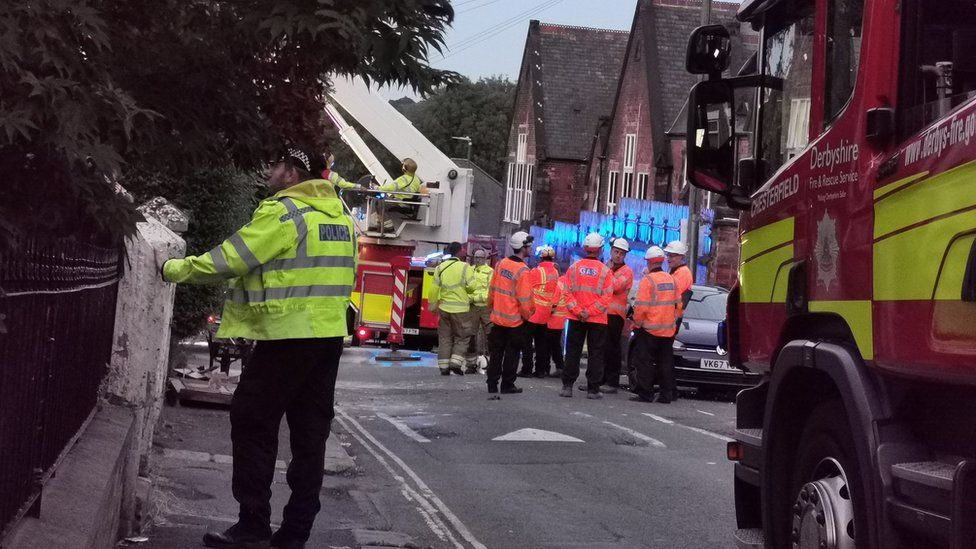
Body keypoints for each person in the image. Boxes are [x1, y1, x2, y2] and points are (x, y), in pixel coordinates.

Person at [161, 147, 357, 549]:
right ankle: (295, 533)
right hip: (327, 337)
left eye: (274, 165)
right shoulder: (340, 217)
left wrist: (174, 269)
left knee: (252, 418)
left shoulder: (285, 213)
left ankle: (252, 525)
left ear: (293, 172)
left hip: (287, 336)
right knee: (310, 434)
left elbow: (232, 258)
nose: (268, 171)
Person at [560, 233, 614, 399]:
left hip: (576, 317)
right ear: (600, 249)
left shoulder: (574, 268)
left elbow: (566, 292)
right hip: (597, 319)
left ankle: (567, 387)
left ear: (585, 248)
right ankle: (593, 390)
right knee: (596, 353)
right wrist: (589, 312)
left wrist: (579, 311)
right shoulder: (605, 271)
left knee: (572, 351)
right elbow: (606, 297)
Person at [485, 231, 535, 397]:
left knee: (496, 352)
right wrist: (527, 316)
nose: (531, 248)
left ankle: (492, 384)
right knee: (512, 354)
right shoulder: (523, 270)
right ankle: (507, 384)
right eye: (529, 246)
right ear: (523, 248)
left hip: (498, 319)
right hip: (515, 321)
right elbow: (524, 299)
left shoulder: (501, 264)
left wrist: (491, 307)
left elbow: (492, 290)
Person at [629, 246, 680, 403]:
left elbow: (641, 307)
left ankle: (646, 393)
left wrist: (637, 324)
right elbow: (678, 305)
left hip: (649, 330)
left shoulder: (648, 280)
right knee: (666, 363)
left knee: (645, 362)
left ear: (649, 262)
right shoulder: (672, 279)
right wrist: (672, 322)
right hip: (668, 331)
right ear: (662, 261)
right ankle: (666, 395)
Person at [429, 242, 476, 376]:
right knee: (463, 337)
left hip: (444, 308)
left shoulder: (440, 268)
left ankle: (444, 367)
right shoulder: (465, 267)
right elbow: (472, 287)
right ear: (459, 252)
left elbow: (433, 289)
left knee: (445, 338)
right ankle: (455, 363)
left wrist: (433, 305)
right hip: (461, 310)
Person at [519, 245, 559, 378]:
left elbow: (526, 287)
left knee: (526, 342)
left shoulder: (537, 271)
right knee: (541, 343)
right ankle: (540, 370)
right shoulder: (555, 272)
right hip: (545, 313)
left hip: (534, 312)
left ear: (540, 258)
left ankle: (527, 369)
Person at [601, 238, 633, 394]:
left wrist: (607, 272)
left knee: (612, 349)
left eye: (621, 253)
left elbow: (615, 287)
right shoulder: (606, 267)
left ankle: (611, 382)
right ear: (611, 251)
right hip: (601, 313)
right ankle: (598, 380)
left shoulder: (626, 271)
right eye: (616, 252)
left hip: (615, 316)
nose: (618, 255)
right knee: (600, 348)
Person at [665, 240, 693, 401]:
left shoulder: (683, 273)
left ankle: (670, 390)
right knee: (666, 355)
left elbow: (671, 293)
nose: (669, 258)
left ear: (681, 257)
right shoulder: (676, 271)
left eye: (673, 256)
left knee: (665, 356)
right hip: (670, 317)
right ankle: (670, 389)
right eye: (669, 255)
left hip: (673, 318)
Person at [372, 158, 422, 232]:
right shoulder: (416, 179)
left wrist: (376, 187)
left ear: (404, 168)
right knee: (383, 201)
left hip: (401, 203)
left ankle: (388, 226)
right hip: (408, 203)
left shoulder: (404, 179)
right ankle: (379, 224)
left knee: (379, 202)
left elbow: (390, 187)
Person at [465, 247, 494, 373]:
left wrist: (473, 298)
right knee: (471, 335)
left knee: (490, 335)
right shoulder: (469, 270)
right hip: (472, 307)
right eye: (476, 257)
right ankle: (471, 364)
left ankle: (492, 363)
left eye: (480, 257)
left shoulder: (490, 272)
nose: (478, 260)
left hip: (485, 307)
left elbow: (490, 291)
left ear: (485, 258)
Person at [545, 274, 569, 378]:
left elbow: (554, 302)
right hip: (561, 318)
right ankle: (559, 367)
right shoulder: (566, 283)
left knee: (551, 344)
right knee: (555, 344)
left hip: (553, 319)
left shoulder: (557, 284)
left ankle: (556, 367)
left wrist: (546, 312)